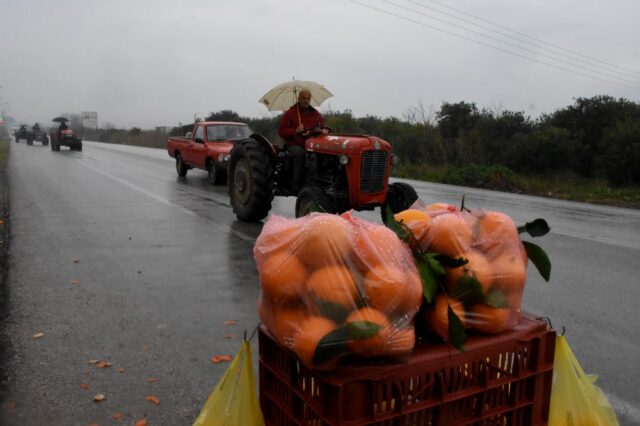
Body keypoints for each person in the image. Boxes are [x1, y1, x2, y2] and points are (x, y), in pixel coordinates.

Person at [278, 89, 326, 193]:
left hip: (312, 144)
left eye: (308, 98)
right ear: (299, 98)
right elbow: (281, 131)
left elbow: (322, 126)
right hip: (294, 144)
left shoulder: (315, 114)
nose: (306, 101)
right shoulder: (290, 113)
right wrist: (295, 130)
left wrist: (323, 130)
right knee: (300, 154)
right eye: (303, 98)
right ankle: (297, 184)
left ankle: (321, 183)